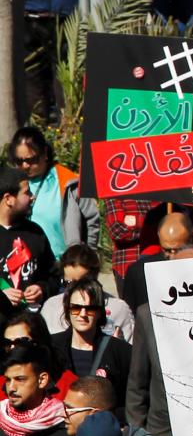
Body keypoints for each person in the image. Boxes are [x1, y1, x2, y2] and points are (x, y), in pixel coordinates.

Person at [6, 128, 97, 259]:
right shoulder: (11, 185)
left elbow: (91, 220)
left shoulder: (68, 182)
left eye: (31, 160)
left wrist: (87, 259)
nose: (25, 165)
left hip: (66, 266)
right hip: (26, 268)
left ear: (45, 153)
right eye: (19, 161)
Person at [50, 277, 132, 403]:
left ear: (99, 312)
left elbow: (131, 397)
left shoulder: (120, 351)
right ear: (68, 309)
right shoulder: (51, 347)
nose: (82, 314)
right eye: (76, 308)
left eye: (90, 309)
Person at [0, 166, 55, 305]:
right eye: (26, 192)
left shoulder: (35, 232)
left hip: (30, 321)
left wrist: (41, 289)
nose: (32, 196)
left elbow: (53, 275)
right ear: (9, 199)